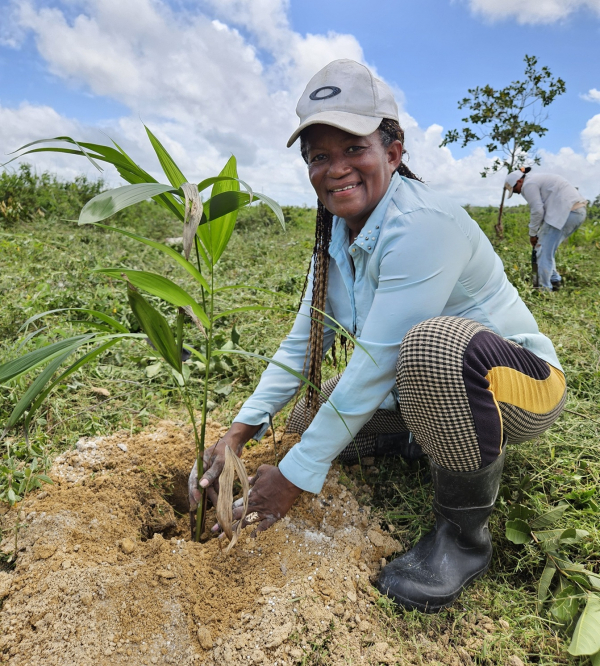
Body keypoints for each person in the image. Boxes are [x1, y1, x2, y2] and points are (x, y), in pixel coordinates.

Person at [189, 59, 566, 613]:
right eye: (319, 155)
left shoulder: (423, 224)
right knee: (302, 421)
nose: (335, 168)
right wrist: (236, 434)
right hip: (430, 384)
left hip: (522, 387)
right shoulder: (338, 237)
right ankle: (423, 436)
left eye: (353, 148)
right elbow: (303, 344)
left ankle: (462, 541)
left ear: (392, 151)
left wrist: (293, 478)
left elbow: (378, 361)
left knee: (431, 348)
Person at [505, 169, 587, 291]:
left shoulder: (529, 184)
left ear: (519, 181)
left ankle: (544, 289)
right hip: (577, 213)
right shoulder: (537, 179)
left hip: (567, 213)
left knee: (542, 250)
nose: (517, 193)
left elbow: (537, 210)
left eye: (515, 189)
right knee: (548, 249)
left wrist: (533, 234)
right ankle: (554, 281)